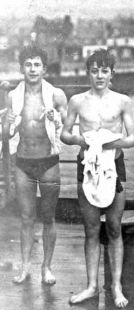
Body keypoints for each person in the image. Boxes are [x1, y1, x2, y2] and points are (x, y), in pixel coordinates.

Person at [61, 49, 134, 308]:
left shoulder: (123, 101)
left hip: (114, 165)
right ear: (88, 73)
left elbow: (132, 138)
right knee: (91, 229)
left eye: (105, 70)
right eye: (95, 70)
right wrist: (83, 140)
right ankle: (92, 286)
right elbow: (65, 134)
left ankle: (116, 286)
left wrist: (107, 143)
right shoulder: (77, 101)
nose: (99, 75)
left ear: (112, 73)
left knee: (114, 227)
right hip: (86, 165)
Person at [3, 45, 67, 285]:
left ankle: (47, 267)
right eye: (28, 64)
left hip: (48, 161)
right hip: (23, 162)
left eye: (37, 64)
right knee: (27, 217)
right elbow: (7, 135)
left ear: (44, 68)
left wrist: (56, 118)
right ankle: (26, 266)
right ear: (22, 68)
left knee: (48, 217)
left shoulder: (56, 94)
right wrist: (7, 124)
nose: (32, 69)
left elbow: (66, 129)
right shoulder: (12, 96)